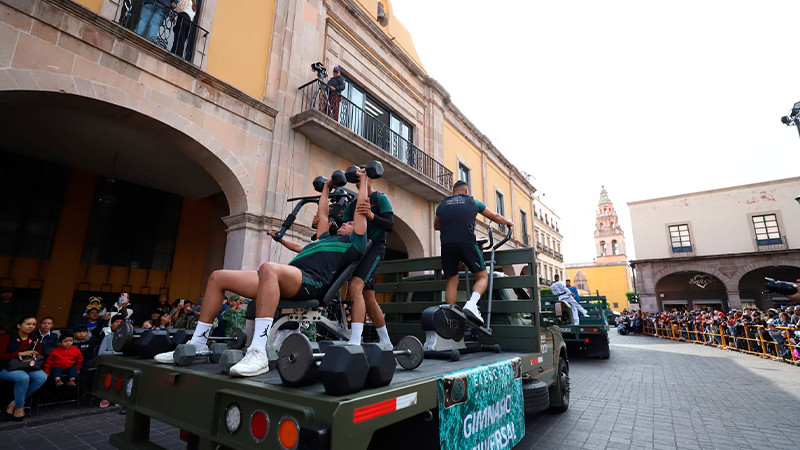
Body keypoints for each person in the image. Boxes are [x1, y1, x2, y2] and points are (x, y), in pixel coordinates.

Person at [155, 168, 370, 377]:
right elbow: (323, 212)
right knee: (218, 277)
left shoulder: (354, 244)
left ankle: (258, 351)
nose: (345, 223)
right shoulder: (324, 238)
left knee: (268, 268)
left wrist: (363, 180)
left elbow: (361, 211)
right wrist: (326, 188)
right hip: (288, 277)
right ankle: (198, 343)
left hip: (311, 283)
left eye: (350, 223)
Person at [434, 180, 513, 326]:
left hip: (447, 245)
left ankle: (450, 319)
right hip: (467, 243)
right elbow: (495, 216)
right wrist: (508, 222)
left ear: (453, 192)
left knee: (451, 280)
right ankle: (472, 304)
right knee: (482, 276)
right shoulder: (473, 202)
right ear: (466, 191)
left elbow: (436, 225)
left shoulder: (442, 204)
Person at [341, 172, 394, 345]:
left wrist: (371, 215)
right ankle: (387, 342)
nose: (359, 181)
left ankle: (355, 340)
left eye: (362, 177)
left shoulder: (380, 198)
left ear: (370, 178)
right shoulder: (351, 206)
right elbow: (346, 228)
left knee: (356, 286)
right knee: (369, 298)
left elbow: (389, 225)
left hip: (375, 248)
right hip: (359, 250)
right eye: (356, 179)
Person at [0, 315, 47, 421]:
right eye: (28, 324)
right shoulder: (6, 337)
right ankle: (19, 407)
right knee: (23, 377)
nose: (31, 326)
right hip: (6, 367)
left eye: (33, 324)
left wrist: (35, 354)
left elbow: (40, 354)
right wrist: (19, 353)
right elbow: (1, 355)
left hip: (26, 366)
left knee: (42, 377)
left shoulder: (34, 339)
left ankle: (15, 402)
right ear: (19, 325)